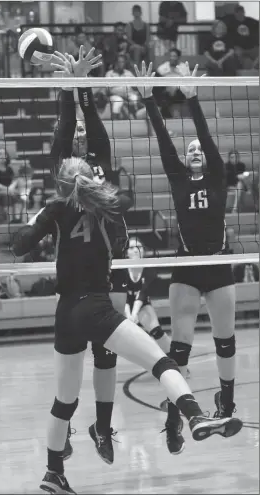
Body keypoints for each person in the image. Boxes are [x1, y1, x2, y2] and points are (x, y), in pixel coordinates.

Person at [12, 155, 242, 495]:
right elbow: (121, 222)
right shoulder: (111, 207)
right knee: (161, 361)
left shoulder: (56, 209)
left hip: (65, 313)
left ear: (61, 184)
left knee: (65, 402)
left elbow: (19, 246)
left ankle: (54, 473)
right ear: (93, 180)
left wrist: (41, 216)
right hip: (96, 306)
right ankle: (195, 416)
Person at [134, 60, 239, 456]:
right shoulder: (178, 178)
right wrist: (148, 99)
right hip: (186, 265)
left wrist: (193, 101)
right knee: (179, 350)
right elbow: (164, 140)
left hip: (217, 262)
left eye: (199, 151)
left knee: (225, 340)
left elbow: (207, 139)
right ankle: (174, 421)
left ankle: (226, 403)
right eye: (191, 150)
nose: (196, 152)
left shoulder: (218, 177)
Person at [50, 46, 133, 465]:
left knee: (108, 350)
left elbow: (92, 123)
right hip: (75, 272)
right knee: (72, 360)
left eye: (85, 133)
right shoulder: (64, 168)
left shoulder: (99, 159)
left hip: (109, 266)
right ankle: (60, 434)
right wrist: (67, 89)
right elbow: (67, 128)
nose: (81, 135)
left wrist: (83, 85)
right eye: (75, 134)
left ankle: (102, 427)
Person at [125, 237, 171, 355]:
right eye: (131, 248)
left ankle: (176, 359)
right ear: (126, 252)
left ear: (143, 251)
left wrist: (134, 314)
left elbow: (142, 294)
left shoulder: (149, 269)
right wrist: (129, 316)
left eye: (139, 247)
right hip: (122, 304)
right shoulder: (120, 269)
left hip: (142, 304)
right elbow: (123, 296)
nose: (136, 250)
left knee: (156, 332)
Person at [105, 54, 141, 119]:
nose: (121, 64)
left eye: (123, 62)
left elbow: (136, 86)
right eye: (119, 62)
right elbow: (109, 91)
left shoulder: (128, 73)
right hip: (114, 96)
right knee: (118, 100)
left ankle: (135, 120)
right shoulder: (109, 74)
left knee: (134, 98)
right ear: (115, 63)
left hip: (128, 95)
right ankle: (114, 121)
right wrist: (123, 98)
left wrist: (136, 90)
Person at [153, 47, 186, 118]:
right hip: (165, 92)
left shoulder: (183, 67)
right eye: (170, 56)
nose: (172, 58)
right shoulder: (162, 67)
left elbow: (186, 83)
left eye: (174, 56)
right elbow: (158, 83)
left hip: (179, 92)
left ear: (178, 57)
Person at [227, 5, 259, 70]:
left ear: (244, 13)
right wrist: (234, 46)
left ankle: (254, 68)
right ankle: (246, 71)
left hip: (253, 47)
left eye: (241, 12)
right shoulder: (231, 24)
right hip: (239, 48)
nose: (240, 14)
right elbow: (229, 38)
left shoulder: (251, 21)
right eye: (237, 12)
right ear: (235, 14)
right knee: (243, 60)